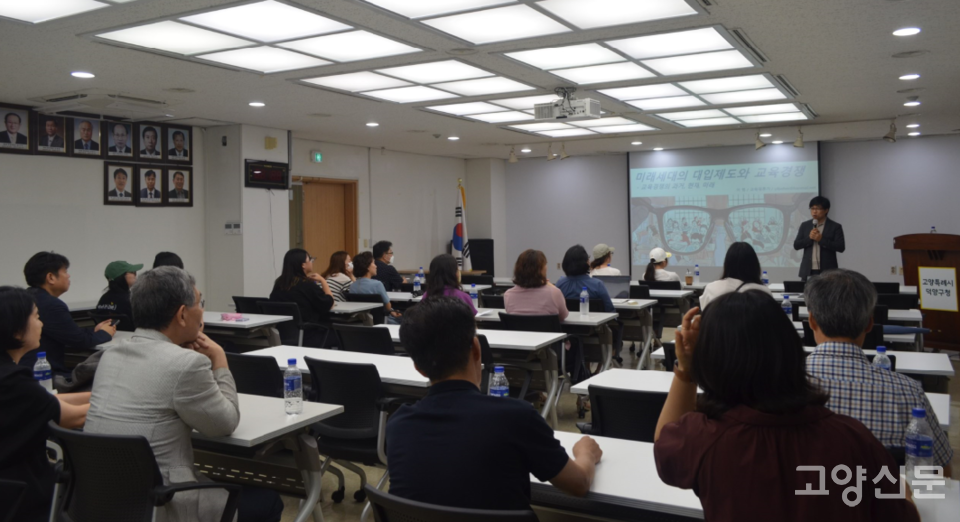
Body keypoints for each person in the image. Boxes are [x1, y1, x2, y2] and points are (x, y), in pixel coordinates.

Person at [653, 293, 920, 521]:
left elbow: (664, 445)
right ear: (790, 349)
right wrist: (903, 495)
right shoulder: (851, 438)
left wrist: (687, 369)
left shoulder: (702, 439)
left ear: (709, 361)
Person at [84, 267, 283, 522]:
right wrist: (219, 359)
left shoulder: (111, 354)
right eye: (199, 302)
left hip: (104, 497)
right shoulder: (186, 363)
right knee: (267, 503)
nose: (201, 310)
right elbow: (225, 423)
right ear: (181, 314)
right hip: (161, 501)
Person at [387, 296, 602, 511]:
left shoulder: (398, 425)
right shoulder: (517, 417)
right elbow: (579, 484)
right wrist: (586, 453)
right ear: (476, 348)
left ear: (418, 367)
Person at [805, 269, 953, 476]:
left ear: (811, 321)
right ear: (869, 324)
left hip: (801, 502)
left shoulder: (779, 386)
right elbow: (939, 472)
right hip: (879, 505)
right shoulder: (909, 392)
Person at [0, 286, 91, 522]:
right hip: (20, 500)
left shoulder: (9, 375)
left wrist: (99, 393)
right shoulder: (12, 380)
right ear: (17, 329)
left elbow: (47, 401)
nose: (41, 324)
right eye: (37, 317)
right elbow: (73, 417)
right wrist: (127, 395)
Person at [20, 252, 115, 372]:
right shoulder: (51, 305)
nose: (68, 276)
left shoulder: (26, 297)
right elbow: (80, 341)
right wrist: (105, 333)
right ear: (51, 277)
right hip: (45, 376)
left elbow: (68, 332)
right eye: (65, 271)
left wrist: (94, 330)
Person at [556, 245, 623, 364]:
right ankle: (600, 369)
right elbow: (610, 311)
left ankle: (586, 368)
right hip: (596, 332)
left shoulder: (560, 284)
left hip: (568, 333)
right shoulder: (597, 284)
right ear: (586, 262)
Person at [270, 249, 335, 345]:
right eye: (310, 259)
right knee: (339, 334)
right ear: (303, 265)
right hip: (308, 333)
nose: (312, 262)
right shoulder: (307, 284)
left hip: (282, 333)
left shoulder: (279, 282)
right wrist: (323, 281)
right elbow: (329, 303)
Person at [699, 242, 773, 309]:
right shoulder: (764, 292)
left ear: (727, 264)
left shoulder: (712, 288)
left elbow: (705, 316)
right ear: (754, 265)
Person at [504, 249, 568, 319]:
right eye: (545, 264)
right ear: (541, 270)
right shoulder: (554, 293)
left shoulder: (508, 295)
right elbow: (563, 316)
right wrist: (551, 286)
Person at [793, 196, 845, 280]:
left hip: (828, 270)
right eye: (812, 208)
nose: (814, 211)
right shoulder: (805, 225)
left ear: (826, 210)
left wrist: (822, 240)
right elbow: (796, 245)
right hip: (808, 270)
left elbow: (840, 247)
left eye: (818, 209)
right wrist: (809, 238)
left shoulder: (835, 226)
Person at [350, 251, 402, 324]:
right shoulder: (377, 284)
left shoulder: (352, 286)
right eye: (374, 263)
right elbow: (388, 306)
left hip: (360, 321)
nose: (376, 266)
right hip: (380, 321)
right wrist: (392, 310)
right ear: (367, 267)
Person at [95, 261, 142, 332]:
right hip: (132, 338)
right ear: (122, 276)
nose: (135, 275)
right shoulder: (131, 300)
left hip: (110, 338)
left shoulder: (103, 299)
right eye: (133, 272)